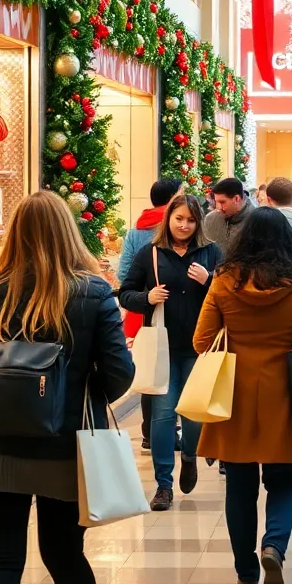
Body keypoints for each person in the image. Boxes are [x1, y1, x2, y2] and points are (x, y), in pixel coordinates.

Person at [0, 190, 135, 584]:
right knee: (65, 554)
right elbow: (119, 373)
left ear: (15, 235)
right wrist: (81, 395)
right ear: (67, 232)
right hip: (65, 447)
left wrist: (7, 392)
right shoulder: (94, 292)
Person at [193, 207, 292, 584]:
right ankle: (273, 547)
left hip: (234, 393)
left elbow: (201, 341)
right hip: (285, 393)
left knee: (238, 487)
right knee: (283, 481)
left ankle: (245, 574)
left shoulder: (222, 280)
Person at [119, 195, 223, 511]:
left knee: (193, 415)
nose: (184, 226)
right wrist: (147, 297)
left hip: (199, 347)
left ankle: (189, 455)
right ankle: (164, 485)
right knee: (163, 416)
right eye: (179, 219)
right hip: (161, 347)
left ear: (199, 223)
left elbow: (228, 296)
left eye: (191, 220)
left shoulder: (211, 253)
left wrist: (208, 282)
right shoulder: (149, 253)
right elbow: (125, 294)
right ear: (169, 219)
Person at [118, 178, 184, 450]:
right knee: (176, 368)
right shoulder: (181, 228)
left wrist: (145, 292)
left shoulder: (136, 231)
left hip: (143, 310)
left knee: (149, 370)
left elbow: (123, 275)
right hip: (176, 310)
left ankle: (148, 433)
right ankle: (173, 430)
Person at [203, 177, 254, 256]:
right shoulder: (211, 219)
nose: (218, 208)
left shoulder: (256, 220)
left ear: (236, 199)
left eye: (222, 202)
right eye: (216, 202)